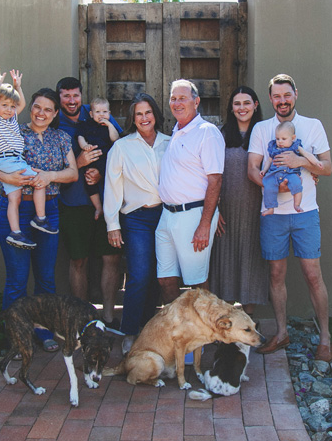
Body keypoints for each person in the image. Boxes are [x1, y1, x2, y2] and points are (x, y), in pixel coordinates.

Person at [0, 88, 78, 352]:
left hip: (48, 211)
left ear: (56, 113)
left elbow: (72, 173)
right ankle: (16, 337)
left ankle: (43, 330)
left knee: (46, 277)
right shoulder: (13, 129)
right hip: (15, 211)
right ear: (30, 107)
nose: (41, 113)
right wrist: (7, 178)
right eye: (37, 107)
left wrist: (49, 176)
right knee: (17, 278)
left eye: (48, 109)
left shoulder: (61, 138)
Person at [248, 74, 332, 360]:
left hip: (305, 212)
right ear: (270, 99)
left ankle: (325, 337)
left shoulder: (313, 126)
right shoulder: (261, 129)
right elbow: (252, 168)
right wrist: (273, 186)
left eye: (287, 95)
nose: (282, 101)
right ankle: (282, 333)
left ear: (296, 94)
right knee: (276, 274)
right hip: (272, 214)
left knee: (313, 274)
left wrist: (300, 162)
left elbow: (328, 168)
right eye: (276, 96)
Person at [103, 93, 170, 354]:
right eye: (139, 114)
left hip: (166, 215)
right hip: (137, 218)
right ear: (132, 118)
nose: (144, 118)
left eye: (148, 112)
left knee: (159, 276)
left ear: (155, 115)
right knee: (139, 275)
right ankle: (130, 331)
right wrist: (112, 224)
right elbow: (112, 186)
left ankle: (147, 328)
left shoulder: (170, 142)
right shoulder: (122, 147)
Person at [56, 77, 124, 326]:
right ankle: (83, 318)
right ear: (59, 97)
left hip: (107, 199)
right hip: (73, 202)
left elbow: (119, 148)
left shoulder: (96, 113)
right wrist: (80, 162)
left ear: (82, 95)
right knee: (78, 260)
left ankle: (108, 316)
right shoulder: (55, 121)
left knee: (112, 258)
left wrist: (100, 170)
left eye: (75, 95)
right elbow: (51, 166)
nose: (72, 101)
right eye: (66, 96)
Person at [155, 79, 225, 304]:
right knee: (165, 280)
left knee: (198, 282)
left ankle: (205, 336)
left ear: (196, 102)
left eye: (182, 98)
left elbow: (215, 180)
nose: (176, 103)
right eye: (173, 98)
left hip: (193, 216)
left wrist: (205, 224)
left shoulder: (207, 132)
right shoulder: (176, 132)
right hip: (167, 216)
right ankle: (180, 331)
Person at [209, 86, 269, 321]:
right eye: (237, 103)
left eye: (247, 103)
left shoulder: (264, 134)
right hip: (225, 211)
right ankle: (224, 324)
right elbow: (210, 174)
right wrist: (214, 209)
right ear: (231, 108)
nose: (242, 108)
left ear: (255, 105)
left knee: (251, 261)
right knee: (224, 263)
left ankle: (247, 323)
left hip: (256, 210)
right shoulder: (220, 136)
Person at [0, 67, 56, 250]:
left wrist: (17, 86)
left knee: (14, 198)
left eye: (11, 107)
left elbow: (21, 103)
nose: (9, 109)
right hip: (9, 161)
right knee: (39, 182)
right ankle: (40, 218)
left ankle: (16, 233)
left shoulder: (11, 120)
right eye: (4, 105)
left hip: (11, 161)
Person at [260, 120, 323, 215]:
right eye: (277, 138)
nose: (280, 141)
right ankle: (270, 208)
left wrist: (317, 162)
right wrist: (264, 170)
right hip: (274, 174)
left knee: (297, 183)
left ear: (293, 138)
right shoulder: (273, 147)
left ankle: (297, 204)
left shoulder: (295, 147)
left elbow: (307, 155)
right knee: (268, 186)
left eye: (284, 139)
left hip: (290, 173)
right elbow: (269, 160)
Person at [74, 97, 119, 220]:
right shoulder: (85, 125)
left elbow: (115, 139)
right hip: (92, 157)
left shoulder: (108, 126)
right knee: (89, 181)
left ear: (109, 114)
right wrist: (84, 146)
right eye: (97, 112)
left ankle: (110, 207)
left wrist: (109, 124)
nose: (101, 115)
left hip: (105, 159)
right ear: (91, 114)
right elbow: (80, 136)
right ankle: (98, 207)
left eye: (105, 112)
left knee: (110, 180)